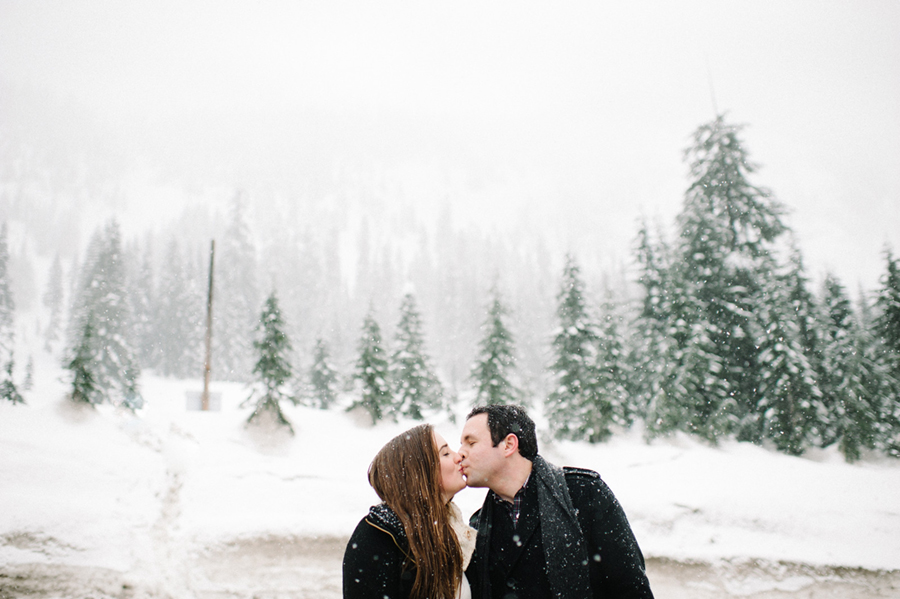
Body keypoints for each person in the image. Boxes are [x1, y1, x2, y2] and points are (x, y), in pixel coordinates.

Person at [459, 404, 654, 599]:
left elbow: (632, 587)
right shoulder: (478, 526)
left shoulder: (583, 493)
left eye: (471, 443)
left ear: (509, 444)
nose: (460, 453)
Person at [343, 424, 477, 599]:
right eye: (445, 453)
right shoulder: (378, 533)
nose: (458, 456)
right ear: (419, 472)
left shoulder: (454, 532)